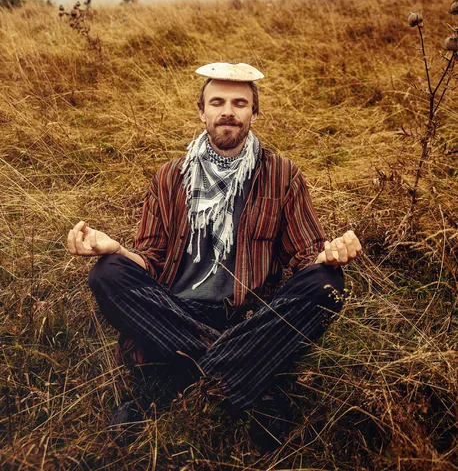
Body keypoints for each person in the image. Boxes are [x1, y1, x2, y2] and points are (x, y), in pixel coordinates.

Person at [67, 62, 362, 432]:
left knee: (327, 283)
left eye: (240, 103)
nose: (228, 111)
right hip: (174, 312)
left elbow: (306, 254)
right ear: (201, 110)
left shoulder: (283, 174)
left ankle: (172, 379)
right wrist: (118, 251)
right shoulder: (169, 177)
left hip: (248, 316)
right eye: (217, 101)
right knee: (107, 272)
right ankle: (242, 370)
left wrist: (329, 255)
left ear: (254, 112)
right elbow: (153, 260)